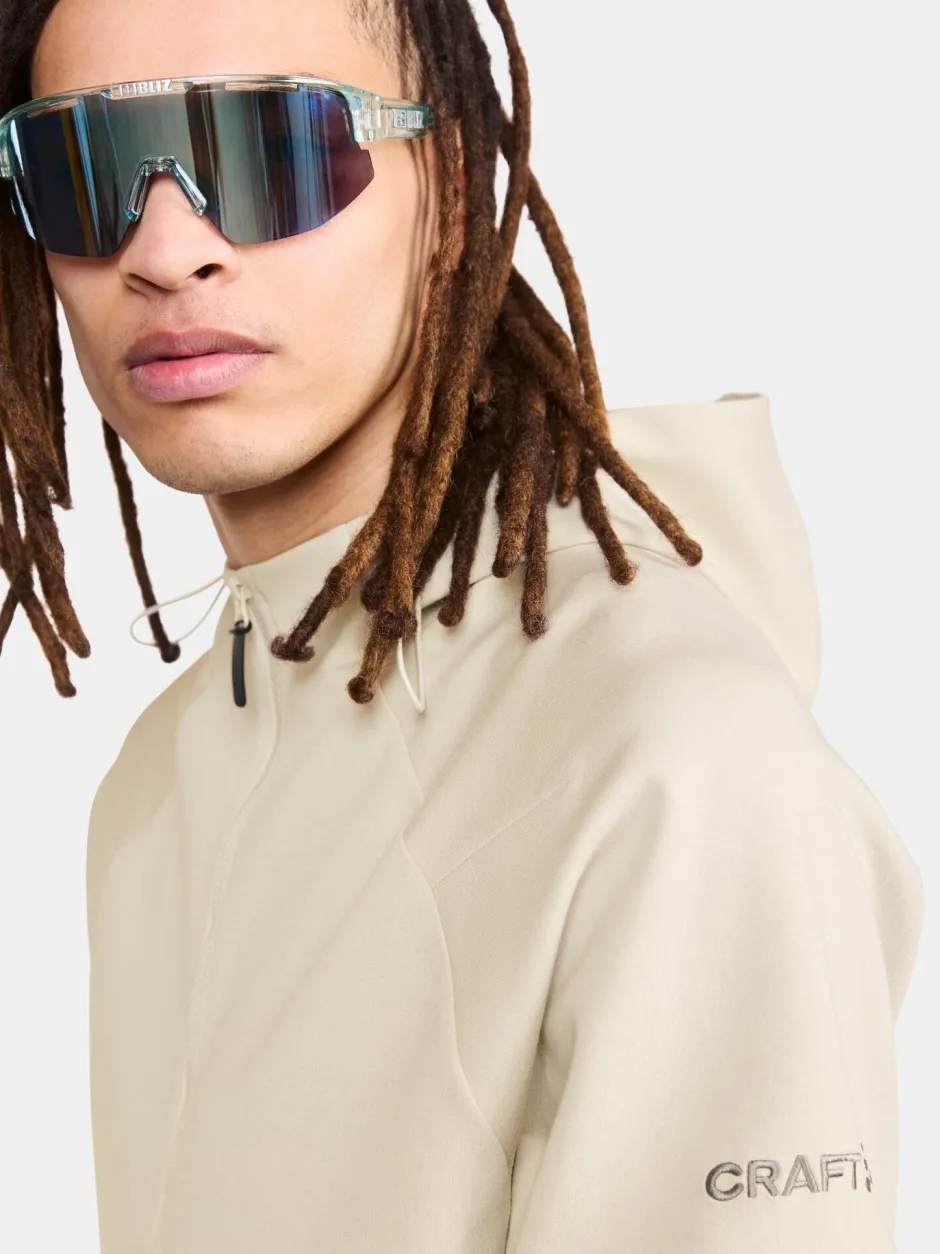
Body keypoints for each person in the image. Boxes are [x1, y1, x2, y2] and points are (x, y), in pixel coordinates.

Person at [0, 0, 925, 1251]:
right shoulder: (158, 783)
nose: (166, 250)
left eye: (272, 149)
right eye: (79, 168)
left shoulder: (676, 761)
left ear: (444, 184)